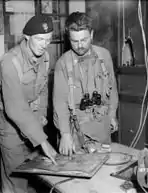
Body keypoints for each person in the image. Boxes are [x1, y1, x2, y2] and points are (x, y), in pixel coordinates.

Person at [0, 15, 57, 193]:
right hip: (9, 125)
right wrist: (43, 142)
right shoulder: (10, 62)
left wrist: (42, 113)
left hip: (32, 119)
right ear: (27, 37)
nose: (44, 44)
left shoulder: (45, 57)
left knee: (35, 175)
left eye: (48, 39)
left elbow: (43, 88)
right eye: (40, 39)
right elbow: (15, 108)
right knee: (16, 180)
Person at [53, 12, 119, 155]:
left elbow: (112, 89)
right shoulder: (63, 64)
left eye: (84, 39)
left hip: (101, 127)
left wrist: (112, 114)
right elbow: (59, 103)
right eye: (74, 41)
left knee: (103, 170)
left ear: (92, 34)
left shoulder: (104, 56)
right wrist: (65, 134)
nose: (80, 45)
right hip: (75, 130)